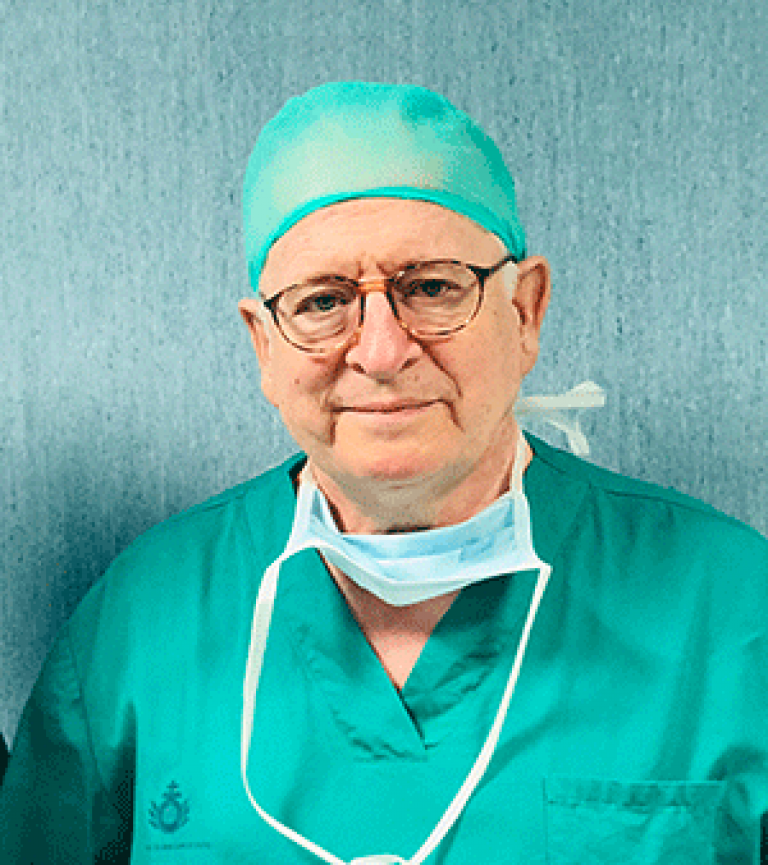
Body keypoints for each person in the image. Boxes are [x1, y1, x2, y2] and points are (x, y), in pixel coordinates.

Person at [1, 82, 767, 864]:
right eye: (323, 302)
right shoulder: (142, 622)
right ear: (264, 345)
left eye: (431, 287)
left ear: (526, 311)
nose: (381, 351)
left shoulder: (734, 611)